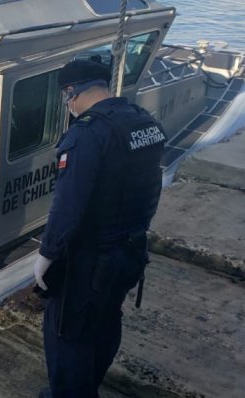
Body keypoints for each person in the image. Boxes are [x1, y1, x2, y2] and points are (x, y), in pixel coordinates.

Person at [33, 60, 166, 398]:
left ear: (70, 93)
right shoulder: (142, 121)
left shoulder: (88, 133)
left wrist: (46, 256)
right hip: (131, 251)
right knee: (106, 322)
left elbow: (68, 205)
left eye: (67, 100)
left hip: (91, 261)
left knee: (67, 335)